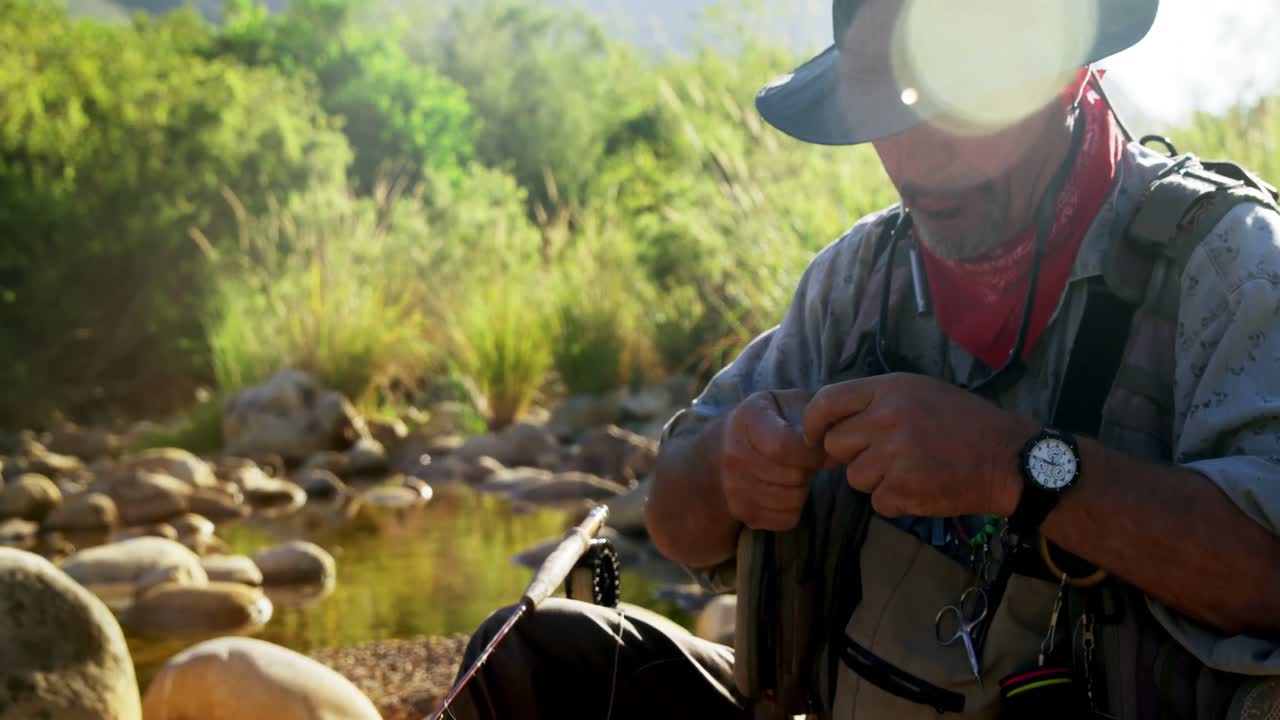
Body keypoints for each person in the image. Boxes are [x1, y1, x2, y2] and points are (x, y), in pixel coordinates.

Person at [447, 0, 1280, 718]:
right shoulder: (857, 281)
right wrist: (728, 465)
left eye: (958, 103)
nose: (916, 158)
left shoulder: (1227, 263)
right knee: (533, 658)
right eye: (885, 108)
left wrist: (1013, 468)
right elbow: (672, 518)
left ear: (1062, 75)